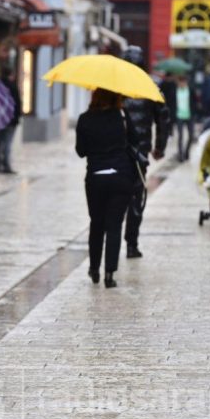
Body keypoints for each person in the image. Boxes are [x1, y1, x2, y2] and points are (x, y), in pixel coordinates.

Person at [76, 88, 139, 288]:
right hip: (121, 176)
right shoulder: (122, 115)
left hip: (96, 177)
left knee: (96, 223)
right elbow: (135, 141)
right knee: (114, 226)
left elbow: (80, 151)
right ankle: (109, 274)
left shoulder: (85, 119)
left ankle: (94, 268)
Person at [120, 46, 169, 259]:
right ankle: (131, 243)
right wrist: (160, 147)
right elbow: (163, 120)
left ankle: (113, 242)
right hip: (139, 152)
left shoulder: (114, 85)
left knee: (116, 198)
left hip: (117, 151)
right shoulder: (152, 85)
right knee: (135, 198)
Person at [0, 66, 22, 174]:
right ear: (11, 75)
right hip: (10, 120)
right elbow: (17, 104)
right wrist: (17, 118)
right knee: (7, 143)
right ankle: (6, 165)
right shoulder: (12, 87)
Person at [174, 75, 198, 161]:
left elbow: (195, 102)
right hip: (179, 116)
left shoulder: (190, 90)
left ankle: (186, 152)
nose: (182, 84)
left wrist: (195, 113)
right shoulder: (175, 91)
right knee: (180, 136)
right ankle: (180, 155)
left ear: (186, 82)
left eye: (183, 82)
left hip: (190, 116)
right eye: (180, 82)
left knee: (191, 136)